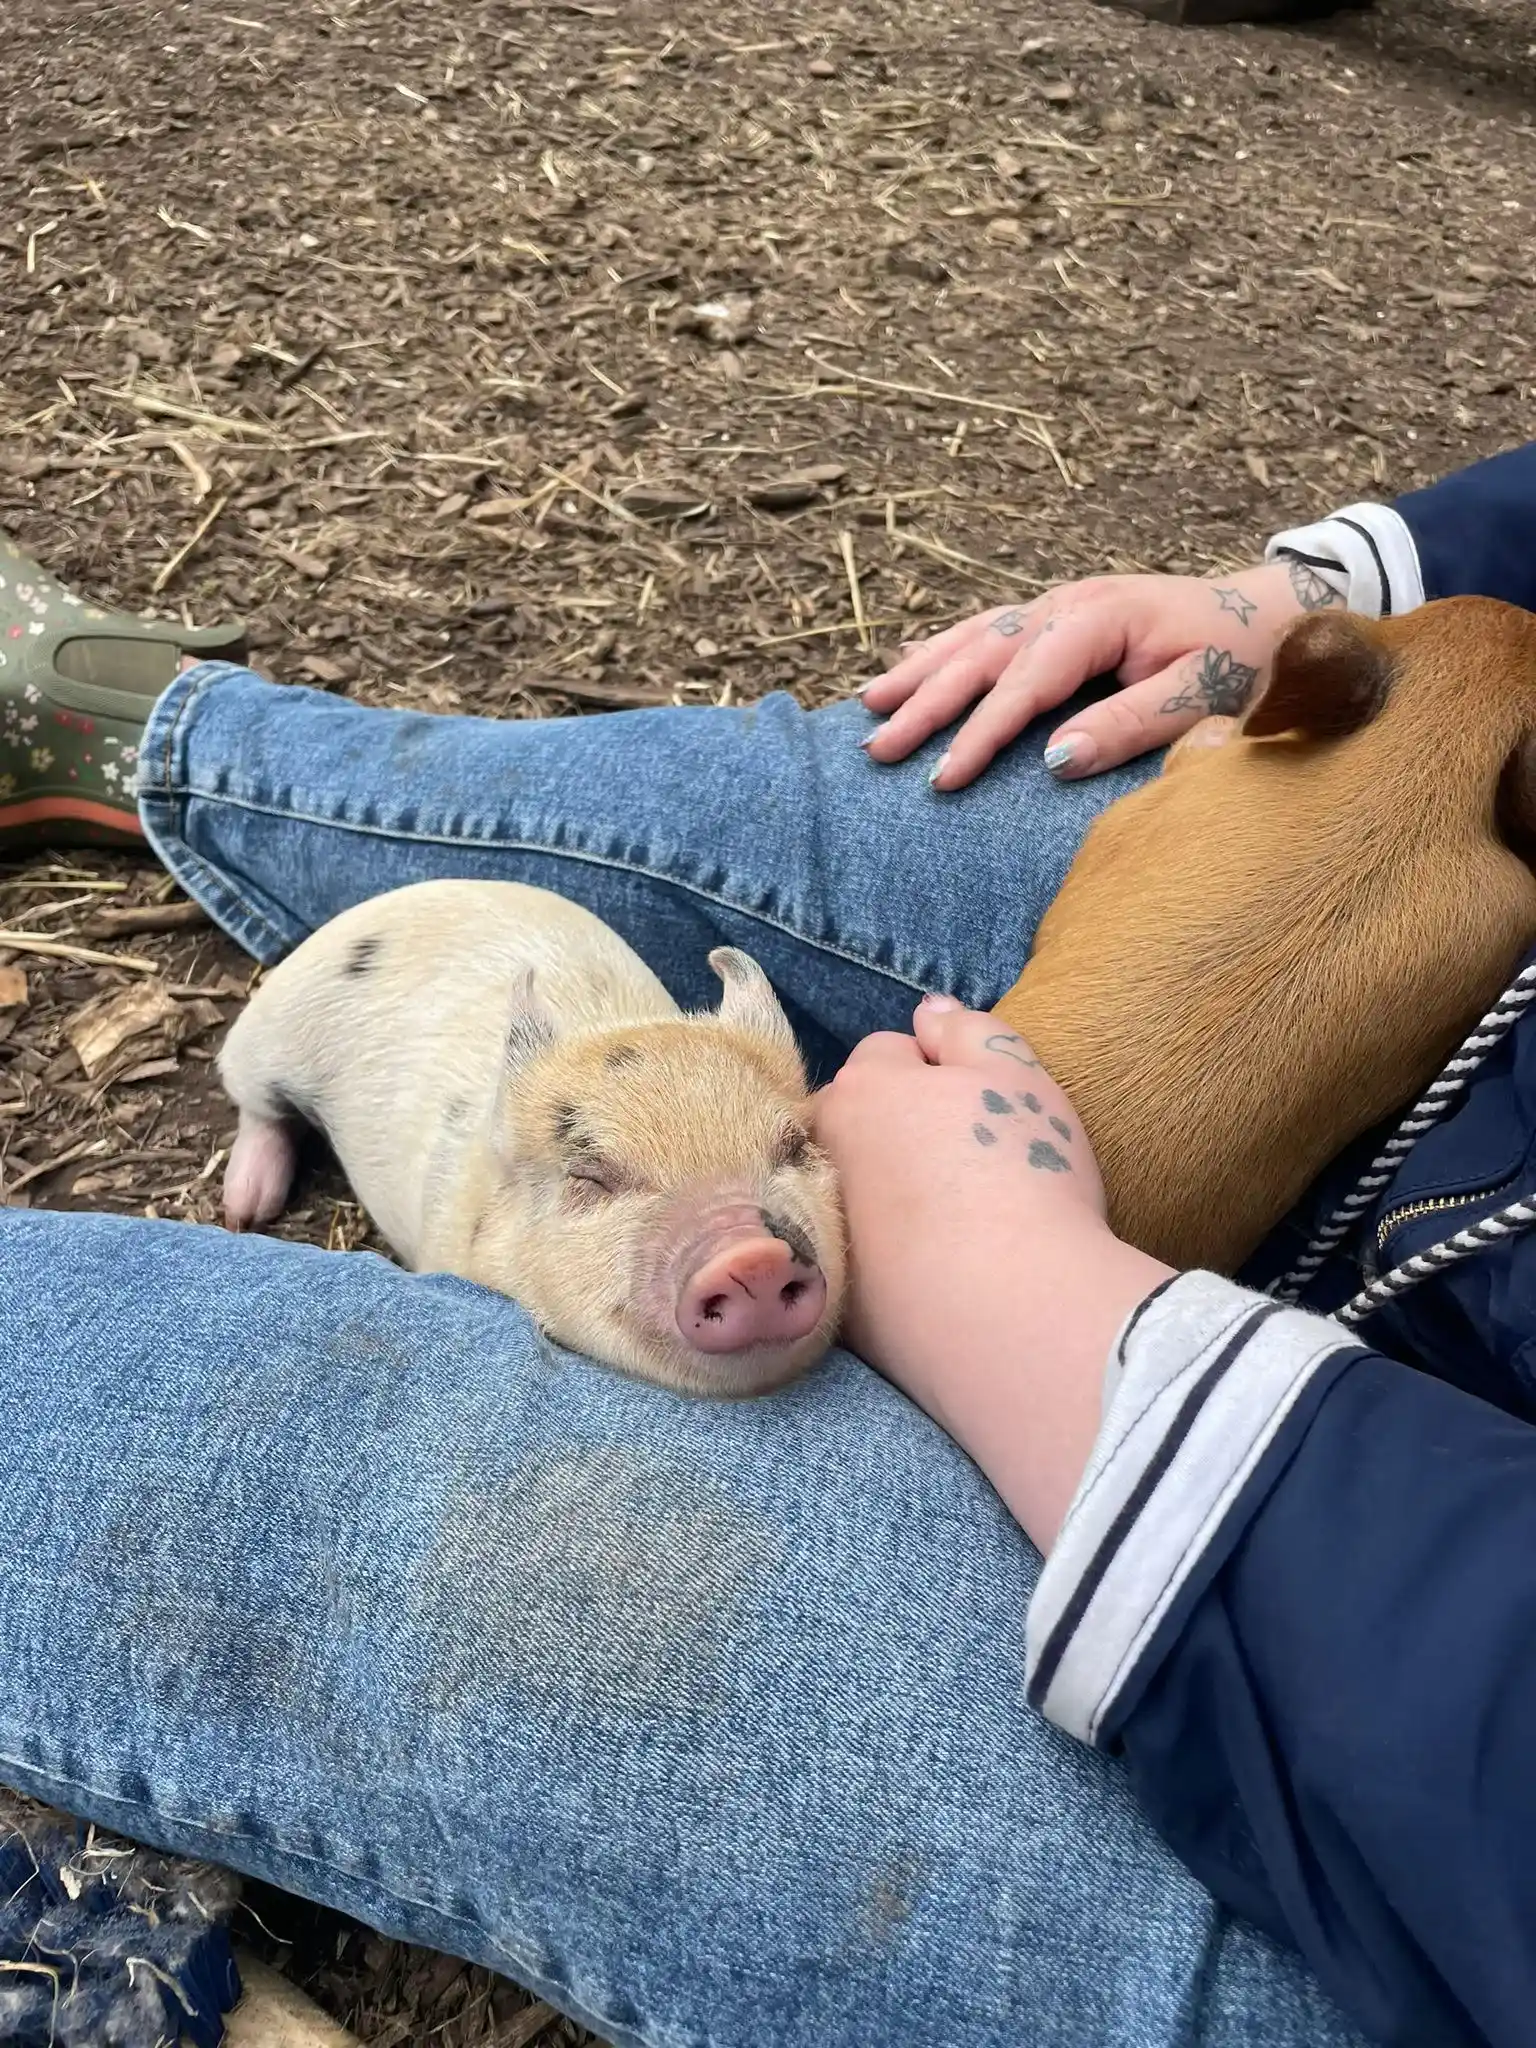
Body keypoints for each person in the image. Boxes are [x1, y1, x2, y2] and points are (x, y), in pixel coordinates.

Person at [1, 441, 1534, 2048]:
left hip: (1402, 1783)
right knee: (893, 764)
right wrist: (1344, 580)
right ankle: (191, 746)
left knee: (343, 1460)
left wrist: (1050, 1313)